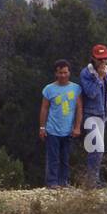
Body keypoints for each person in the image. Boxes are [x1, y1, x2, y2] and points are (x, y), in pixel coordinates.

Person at [39, 59, 82, 188]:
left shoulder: (76, 88)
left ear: (69, 72)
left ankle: (64, 182)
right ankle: (52, 182)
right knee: (53, 158)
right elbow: (44, 108)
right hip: (52, 129)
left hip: (68, 129)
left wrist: (77, 127)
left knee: (65, 158)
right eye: (60, 73)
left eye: (65, 72)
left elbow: (79, 108)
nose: (63, 75)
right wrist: (42, 127)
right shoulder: (49, 89)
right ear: (56, 73)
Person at [79, 44, 107, 187]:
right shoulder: (86, 74)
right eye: (100, 59)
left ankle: (95, 179)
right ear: (93, 58)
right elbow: (91, 93)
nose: (103, 62)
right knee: (98, 147)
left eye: (105, 58)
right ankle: (91, 181)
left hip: (103, 114)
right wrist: (99, 77)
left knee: (97, 148)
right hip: (91, 114)